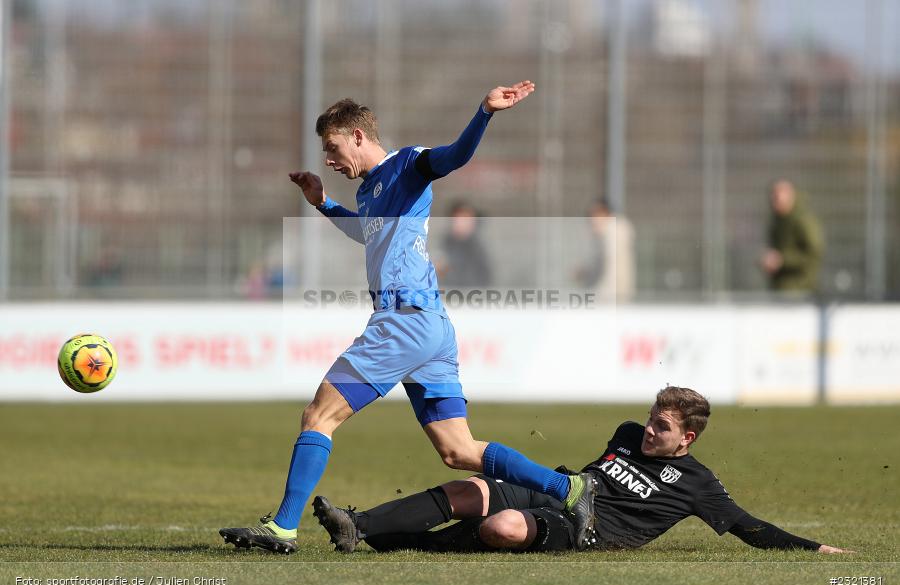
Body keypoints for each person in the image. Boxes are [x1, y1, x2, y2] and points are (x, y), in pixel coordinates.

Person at [219, 81, 598, 554]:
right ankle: (571, 489)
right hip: (431, 326)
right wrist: (322, 203)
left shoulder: (408, 164)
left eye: (332, 148)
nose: (329, 160)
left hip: (403, 322)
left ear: (358, 136)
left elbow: (455, 156)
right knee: (458, 450)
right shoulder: (368, 192)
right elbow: (368, 234)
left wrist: (484, 111)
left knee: (319, 416)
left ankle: (283, 527)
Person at [312, 386, 851, 555]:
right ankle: (359, 526)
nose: (648, 431)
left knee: (502, 528)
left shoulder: (698, 485)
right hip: (563, 490)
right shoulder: (626, 433)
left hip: (584, 530)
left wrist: (815, 549)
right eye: (650, 419)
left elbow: (748, 527)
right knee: (469, 489)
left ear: (687, 438)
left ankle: (407, 543)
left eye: (661, 427)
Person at [760, 179, 824, 293]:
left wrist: (782, 260)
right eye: (774, 196)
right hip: (781, 289)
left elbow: (813, 254)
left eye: (779, 196)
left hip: (801, 289)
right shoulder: (777, 221)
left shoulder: (803, 220)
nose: (776, 199)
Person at [575, 198, 635, 303]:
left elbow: (611, 267)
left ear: (603, 213)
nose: (591, 221)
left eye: (594, 215)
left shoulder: (615, 230)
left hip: (612, 296)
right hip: (612, 295)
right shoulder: (609, 232)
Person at [436, 201, 492, 289]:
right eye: (458, 218)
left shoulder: (479, 247)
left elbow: (484, 279)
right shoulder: (445, 242)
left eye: (466, 218)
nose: (461, 222)